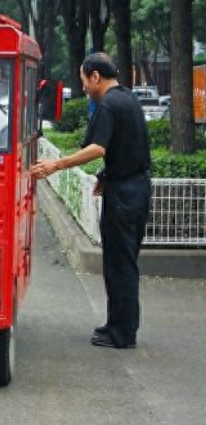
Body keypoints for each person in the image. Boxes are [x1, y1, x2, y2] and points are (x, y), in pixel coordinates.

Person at [30, 52, 151, 349]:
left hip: (124, 196)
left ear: (95, 76)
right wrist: (106, 177)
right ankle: (117, 325)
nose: (83, 86)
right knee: (120, 262)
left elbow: (98, 147)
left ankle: (123, 334)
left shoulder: (108, 104)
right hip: (134, 187)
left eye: (84, 80)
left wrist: (56, 165)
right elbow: (125, 148)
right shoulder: (128, 99)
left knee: (120, 264)